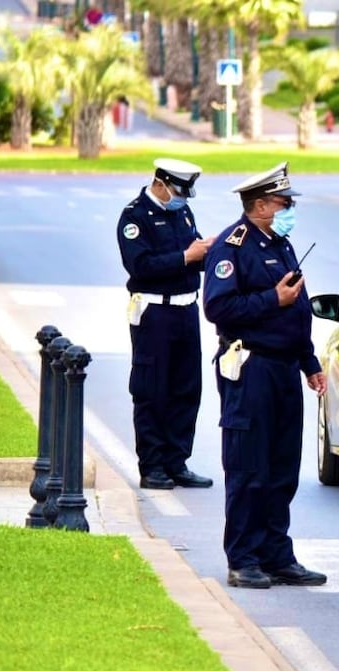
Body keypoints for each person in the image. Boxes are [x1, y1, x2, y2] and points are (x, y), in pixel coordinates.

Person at [202, 162, 328, 590]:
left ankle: (277, 554)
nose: (289, 208)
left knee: (281, 468)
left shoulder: (283, 244)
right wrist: (271, 299)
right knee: (248, 466)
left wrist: (309, 363)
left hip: (283, 369)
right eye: (283, 202)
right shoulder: (231, 248)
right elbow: (218, 309)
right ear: (259, 205)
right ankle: (243, 558)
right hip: (250, 367)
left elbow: (297, 313)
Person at [117, 158, 214, 491]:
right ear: (160, 182)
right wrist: (185, 257)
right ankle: (153, 465)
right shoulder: (135, 216)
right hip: (154, 311)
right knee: (152, 389)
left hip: (186, 308)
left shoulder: (182, 212)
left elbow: (194, 252)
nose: (181, 198)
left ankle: (177, 461)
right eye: (177, 191)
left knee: (186, 389)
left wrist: (209, 252)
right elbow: (139, 265)